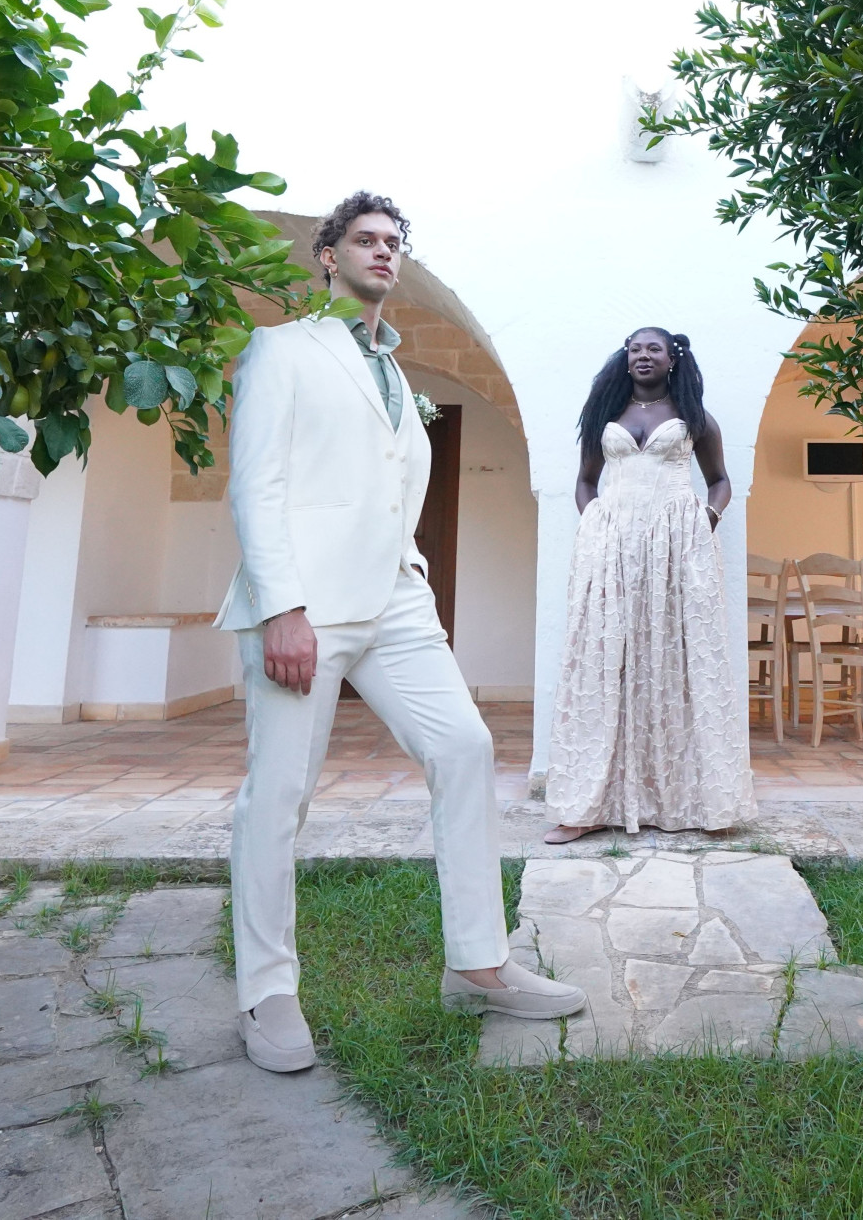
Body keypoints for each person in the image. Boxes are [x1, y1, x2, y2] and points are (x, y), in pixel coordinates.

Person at [218, 191, 586, 1073]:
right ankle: (267, 990)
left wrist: (413, 572)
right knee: (279, 794)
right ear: (329, 255)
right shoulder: (282, 350)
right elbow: (255, 484)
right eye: (365, 239)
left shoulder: (396, 370)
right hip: (305, 606)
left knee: (464, 746)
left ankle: (478, 963)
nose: (383, 251)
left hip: (395, 600)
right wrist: (280, 607)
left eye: (393, 241)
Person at [542, 328, 758, 844]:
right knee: (604, 665)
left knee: (677, 663)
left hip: (678, 549)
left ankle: (694, 802)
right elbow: (586, 481)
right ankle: (586, 807)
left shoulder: (694, 416)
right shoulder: (605, 414)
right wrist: (595, 525)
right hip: (612, 549)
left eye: (653, 349)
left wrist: (705, 521)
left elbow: (720, 480)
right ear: (626, 358)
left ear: (671, 358)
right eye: (635, 349)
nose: (643, 356)